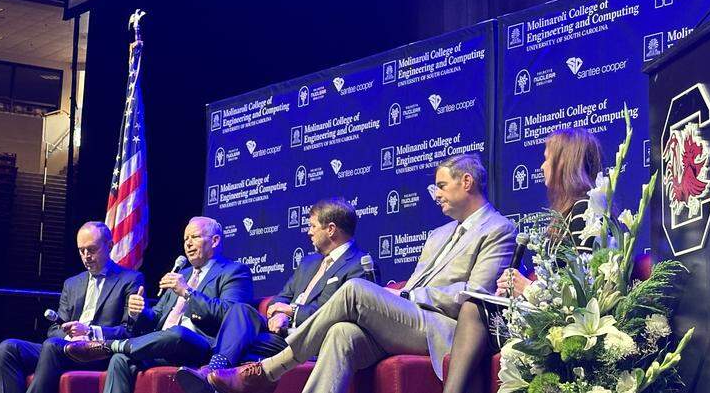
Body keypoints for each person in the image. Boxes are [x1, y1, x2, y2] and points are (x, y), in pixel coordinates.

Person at [208, 153, 517, 393]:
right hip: (410, 322)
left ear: (467, 182)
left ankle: (269, 370)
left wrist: (407, 294)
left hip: (448, 330)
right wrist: (404, 296)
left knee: (356, 288)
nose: (436, 194)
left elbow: (477, 296)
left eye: (441, 185)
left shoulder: (499, 229)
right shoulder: (438, 234)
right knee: (342, 333)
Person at [442, 128, 602, 393]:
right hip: (546, 314)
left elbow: (581, 290)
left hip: (570, 324)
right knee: (475, 309)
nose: (541, 166)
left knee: (472, 310)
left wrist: (527, 289)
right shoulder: (569, 213)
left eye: (547, 158)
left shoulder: (585, 212)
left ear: (564, 164)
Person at [176, 198, 367, 393]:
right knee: (241, 311)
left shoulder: (358, 265)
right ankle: (214, 370)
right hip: (279, 334)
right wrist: (279, 314)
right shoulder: (309, 263)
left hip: (310, 340)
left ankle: (211, 375)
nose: (309, 232)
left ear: (331, 229)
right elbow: (281, 297)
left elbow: (334, 312)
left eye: (312, 226)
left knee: (238, 346)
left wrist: (292, 312)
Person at [65, 217, 253, 393]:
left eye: (194, 237)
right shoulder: (183, 274)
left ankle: (110, 344)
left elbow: (230, 313)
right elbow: (156, 319)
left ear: (215, 240)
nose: (188, 243)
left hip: (199, 346)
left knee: (178, 332)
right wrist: (139, 312)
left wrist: (187, 292)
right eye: (185, 238)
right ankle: (116, 348)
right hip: (164, 344)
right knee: (120, 359)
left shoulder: (233, 271)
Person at [0, 222, 144, 393]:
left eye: (92, 249)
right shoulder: (72, 283)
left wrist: (88, 331)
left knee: (52, 346)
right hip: (63, 348)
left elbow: (128, 331)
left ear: (109, 246)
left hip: (98, 351)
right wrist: (69, 333)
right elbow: (54, 329)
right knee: (6, 349)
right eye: (81, 250)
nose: (86, 256)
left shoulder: (130, 279)